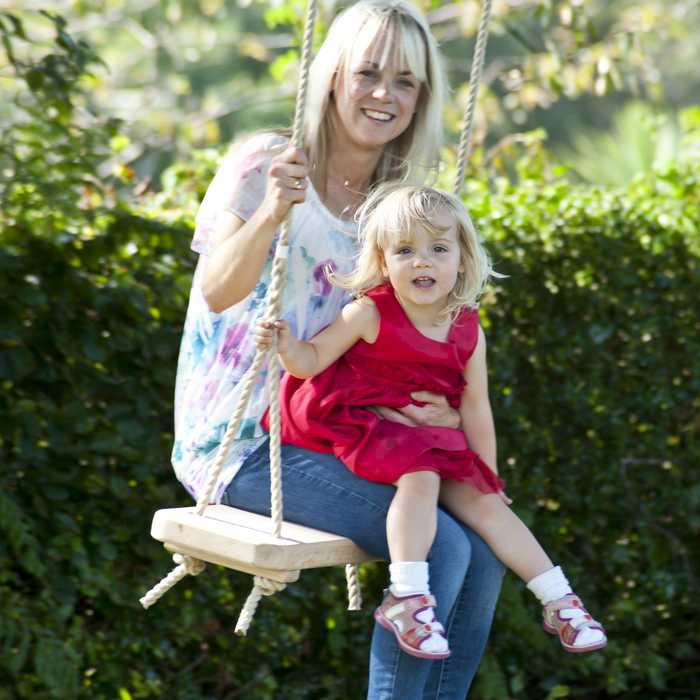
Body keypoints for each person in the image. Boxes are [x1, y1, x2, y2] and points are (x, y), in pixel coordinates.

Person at [173, 1, 505, 697]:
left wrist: (437, 412)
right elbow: (217, 290)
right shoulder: (267, 161)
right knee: (441, 547)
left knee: (485, 549)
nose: (385, 94)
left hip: (336, 430)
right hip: (241, 444)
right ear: (332, 78)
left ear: (422, 100)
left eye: (406, 82)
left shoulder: (398, 209)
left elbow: (403, 337)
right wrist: (272, 210)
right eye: (369, 73)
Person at [256, 183, 608, 660]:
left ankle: (559, 600)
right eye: (405, 251)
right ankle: (407, 594)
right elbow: (311, 360)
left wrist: (487, 472)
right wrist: (285, 345)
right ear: (384, 261)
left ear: (462, 258)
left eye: (438, 249)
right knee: (418, 477)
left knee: (486, 504)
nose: (422, 262)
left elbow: (476, 407)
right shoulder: (370, 312)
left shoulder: (466, 325)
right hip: (360, 422)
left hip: (422, 434)